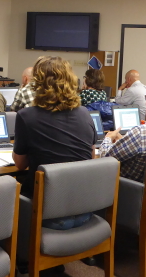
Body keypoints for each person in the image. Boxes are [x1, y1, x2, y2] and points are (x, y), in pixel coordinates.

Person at [13, 56, 96, 202]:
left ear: (37, 83)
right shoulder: (84, 113)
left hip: (43, 208)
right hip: (83, 206)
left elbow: (20, 165)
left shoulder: (26, 116)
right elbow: (91, 156)